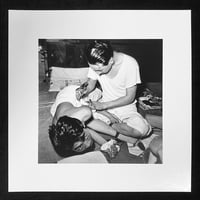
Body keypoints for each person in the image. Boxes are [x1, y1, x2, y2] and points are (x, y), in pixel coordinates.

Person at [77, 40, 151, 144]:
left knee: (140, 131)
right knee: (80, 118)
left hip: (125, 107)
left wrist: (103, 106)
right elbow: (91, 84)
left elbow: (129, 97)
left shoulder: (130, 64)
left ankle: (109, 126)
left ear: (111, 61)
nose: (96, 73)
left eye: (99, 70)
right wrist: (82, 89)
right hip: (103, 107)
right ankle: (112, 125)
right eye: (94, 69)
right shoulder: (96, 61)